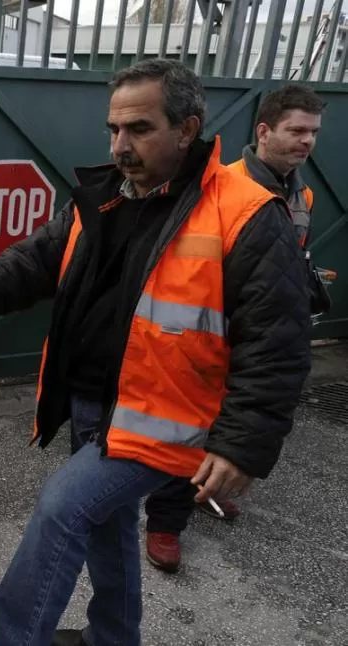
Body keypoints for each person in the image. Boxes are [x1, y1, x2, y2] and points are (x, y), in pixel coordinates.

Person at [0, 58, 312, 646]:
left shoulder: (245, 213)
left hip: (167, 418)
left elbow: (279, 343)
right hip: (96, 403)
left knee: (62, 509)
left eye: (139, 129)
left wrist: (243, 443)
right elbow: (37, 259)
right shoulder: (106, 195)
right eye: (114, 130)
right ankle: (115, 637)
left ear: (188, 128)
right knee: (107, 529)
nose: (121, 144)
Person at [142, 82, 326, 573]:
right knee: (180, 433)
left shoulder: (301, 194)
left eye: (313, 132)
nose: (306, 141)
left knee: (226, 429)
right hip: (204, 334)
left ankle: (205, 490)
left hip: (254, 334)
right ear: (264, 131)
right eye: (296, 131)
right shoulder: (223, 186)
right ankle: (164, 523)